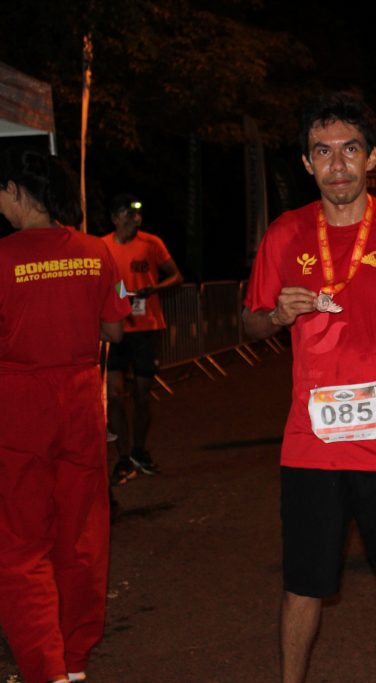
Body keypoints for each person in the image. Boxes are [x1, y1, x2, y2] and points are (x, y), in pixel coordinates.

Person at [241, 90, 376, 683]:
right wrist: (276, 315)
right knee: (303, 585)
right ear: (306, 162)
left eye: (350, 149)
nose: (337, 164)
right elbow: (250, 324)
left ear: (372, 157)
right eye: (323, 151)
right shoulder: (284, 234)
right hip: (311, 443)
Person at [0, 148, 130, 683]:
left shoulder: (3, 256)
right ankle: (75, 661)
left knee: (20, 543)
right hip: (80, 400)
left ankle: (45, 668)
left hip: (18, 405)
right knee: (82, 536)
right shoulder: (95, 251)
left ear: (16, 190)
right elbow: (115, 329)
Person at [101, 193, 181, 481]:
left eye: (137, 212)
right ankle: (123, 458)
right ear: (115, 218)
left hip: (146, 327)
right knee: (114, 395)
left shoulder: (151, 243)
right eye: (128, 213)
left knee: (142, 394)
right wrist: (121, 296)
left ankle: (139, 450)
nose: (135, 218)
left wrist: (153, 289)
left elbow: (177, 276)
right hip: (116, 329)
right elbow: (102, 282)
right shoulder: (102, 246)